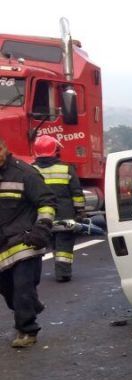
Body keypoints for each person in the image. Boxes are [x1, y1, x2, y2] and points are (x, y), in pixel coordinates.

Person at [0, 136, 56, 348]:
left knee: (22, 286)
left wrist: (41, 228)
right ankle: (31, 305)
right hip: (2, 244)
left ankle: (27, 330)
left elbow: (47, 202)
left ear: (3, 149)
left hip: (25, 241)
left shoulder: (25, 173)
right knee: (7, 289)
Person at [32, 135, 84, 282]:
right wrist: (80, 211)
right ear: (55, 150)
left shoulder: (30, 169)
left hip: (40, 216)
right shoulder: (66, 168)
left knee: (47, 242)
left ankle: (32, 276)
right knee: (64, 243)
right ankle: (63, 273)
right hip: (64, 214)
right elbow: (76, 193)